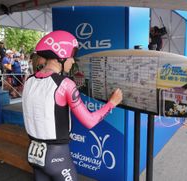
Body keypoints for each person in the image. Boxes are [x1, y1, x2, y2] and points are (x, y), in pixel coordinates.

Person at [22, 30, 123, 181]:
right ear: (60, 58)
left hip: (33, 153)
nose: (73, 61)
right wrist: (112, 103)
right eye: (71, 57)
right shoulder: (65, 84)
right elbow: (89, 121)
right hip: (57, 157)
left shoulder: (29, 80)